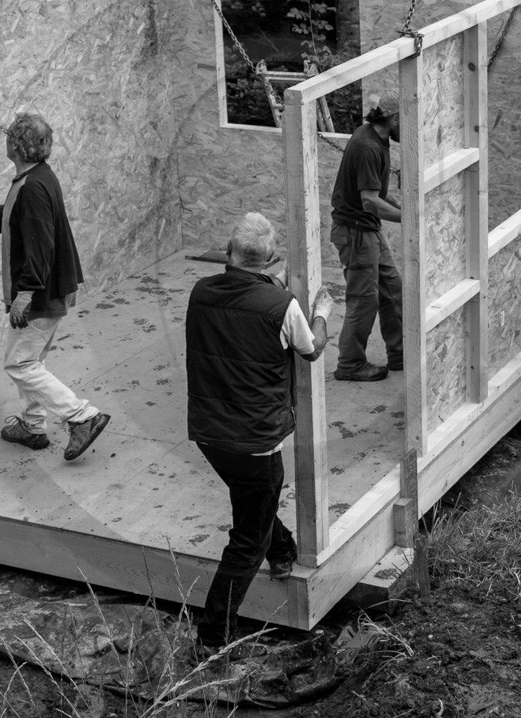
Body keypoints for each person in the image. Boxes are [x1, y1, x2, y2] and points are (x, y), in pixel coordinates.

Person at [185, 212, 333, 649]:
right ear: (271, 260)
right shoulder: (283, 306)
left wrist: (273, 284)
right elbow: (311, 349)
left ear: (228, 253)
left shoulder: (200, 293)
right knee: (247, 540)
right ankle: (212, 638)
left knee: (254, 501)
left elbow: (239, 304)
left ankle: (283, 552)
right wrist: (321, 312)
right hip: (256, 440)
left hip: (209, 433)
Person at [0, 112, 110, 461]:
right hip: (49, 287)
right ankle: (31, 425)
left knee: (20, 365)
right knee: (31, 360)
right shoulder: (33, 179)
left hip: (40, 292)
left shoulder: (35, 186)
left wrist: (25, 293)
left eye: (10, 136)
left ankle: (82, 416)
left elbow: (41, 243)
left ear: (17, 145)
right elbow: (13, 214)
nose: (6, 141)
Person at [329, 91, 403, 382]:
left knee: (393, 287)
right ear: (393, 118)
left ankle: (398, 355)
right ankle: (349, 364)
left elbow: (375, 196)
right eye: (405, 120)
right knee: (363, 300)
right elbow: (370, 201)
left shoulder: (377, 138)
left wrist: (398, 205)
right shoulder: (368, 146)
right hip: (356, 231)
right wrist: (409, 217)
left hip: (367, 228)